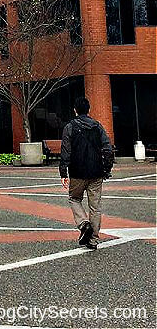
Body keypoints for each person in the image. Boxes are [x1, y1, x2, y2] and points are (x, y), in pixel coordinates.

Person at [59, 96, 114, 251]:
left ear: (75, 110)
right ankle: (94, 239)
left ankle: (83, 224)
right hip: (96, 171)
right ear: (89, 110)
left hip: (77, 171)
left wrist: (63, 172)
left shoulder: (69, 127)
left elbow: (66, 152)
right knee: (95, 206)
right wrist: (107, 168)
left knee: (74, 198)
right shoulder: (97, 126)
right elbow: (108, 149)